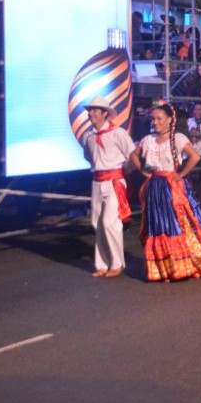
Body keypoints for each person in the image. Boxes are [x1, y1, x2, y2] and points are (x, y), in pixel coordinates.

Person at [129, 102, 201, 282]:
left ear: (169, 120)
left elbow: (195, 156)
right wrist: (145, 172)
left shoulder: (178, 138)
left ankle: (181, 264)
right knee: (158, 225)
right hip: (154, 186)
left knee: (175, 223)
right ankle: (164, 268)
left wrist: (181, 174)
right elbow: (134, 156)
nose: (155, 122)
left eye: (159, 118)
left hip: (171, 186)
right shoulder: (148, 140)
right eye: (153, 118)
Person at [79, 97, 135, 279]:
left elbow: (132, 154)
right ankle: (102, 264)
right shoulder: (88, 136)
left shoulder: (118, 133)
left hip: (114, 181)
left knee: (110, 222)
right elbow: (88, 156)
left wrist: (122, 172)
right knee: (97, 223)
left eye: (96, 110)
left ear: (105, 113)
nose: (91, 113)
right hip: (97, 181)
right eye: (90, 110)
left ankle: (117, 263)